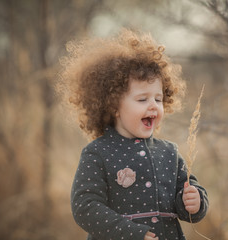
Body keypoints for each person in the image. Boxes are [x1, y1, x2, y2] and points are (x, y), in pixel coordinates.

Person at [58, 29, 208, 240]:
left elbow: (187, 195)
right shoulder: (98, 153)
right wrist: (131, 233)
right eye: (142, 99)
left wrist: (195, 202)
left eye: (158, 99)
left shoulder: (169, 153)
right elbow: (85, 207)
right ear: (114, 106)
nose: (153, 106)